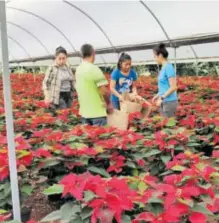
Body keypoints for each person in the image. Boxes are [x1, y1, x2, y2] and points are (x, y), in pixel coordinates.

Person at [75, 44, 113, 126]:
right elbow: (104, 91)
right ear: (93, 53)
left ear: (82, 55)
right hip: (97, 113)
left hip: (84, 113)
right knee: (101, 138)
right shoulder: (94, 69)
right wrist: (109, 103)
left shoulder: (78, 69)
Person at [110, 53, 151, 117]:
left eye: (130, 64)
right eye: (126, 64)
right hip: (116, 99)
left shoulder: (132, 72)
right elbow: (112, 88)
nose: (128, 66)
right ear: (120, 63)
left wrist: (135, 92)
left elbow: (133, 85)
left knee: (128, 116)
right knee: (119, 118)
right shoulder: (116, 73)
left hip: (127, 98)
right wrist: (119, 96)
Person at [152, 43, 178, 118]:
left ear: (160, 55)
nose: (154, 59)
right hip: (164, 101)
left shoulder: (168, 67)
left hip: (169, 102)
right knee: (164, 125)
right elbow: (164, 86)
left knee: (168, 127)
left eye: (155, 56)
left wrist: (161, 98)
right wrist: (157, 95)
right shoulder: (163, 68)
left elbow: (173, 87)